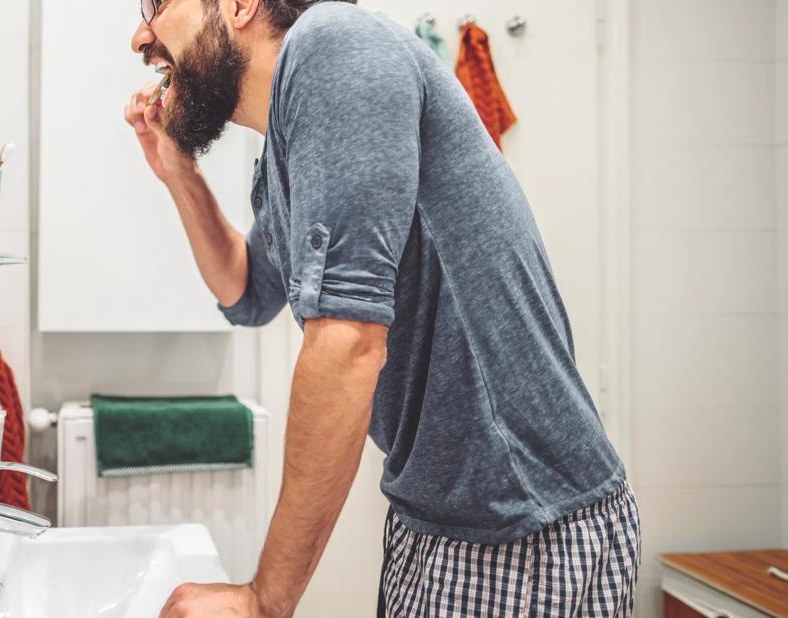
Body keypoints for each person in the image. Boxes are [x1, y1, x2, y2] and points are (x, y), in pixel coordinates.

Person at [122, 1, 641, 616]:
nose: (140, 37)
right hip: (442, 518)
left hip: (520, 528)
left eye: (157, 4)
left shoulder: (333, 44)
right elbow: (248, 291)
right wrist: (178, 172)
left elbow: (348, 343)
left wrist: (264, 601)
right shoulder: (291, 138)